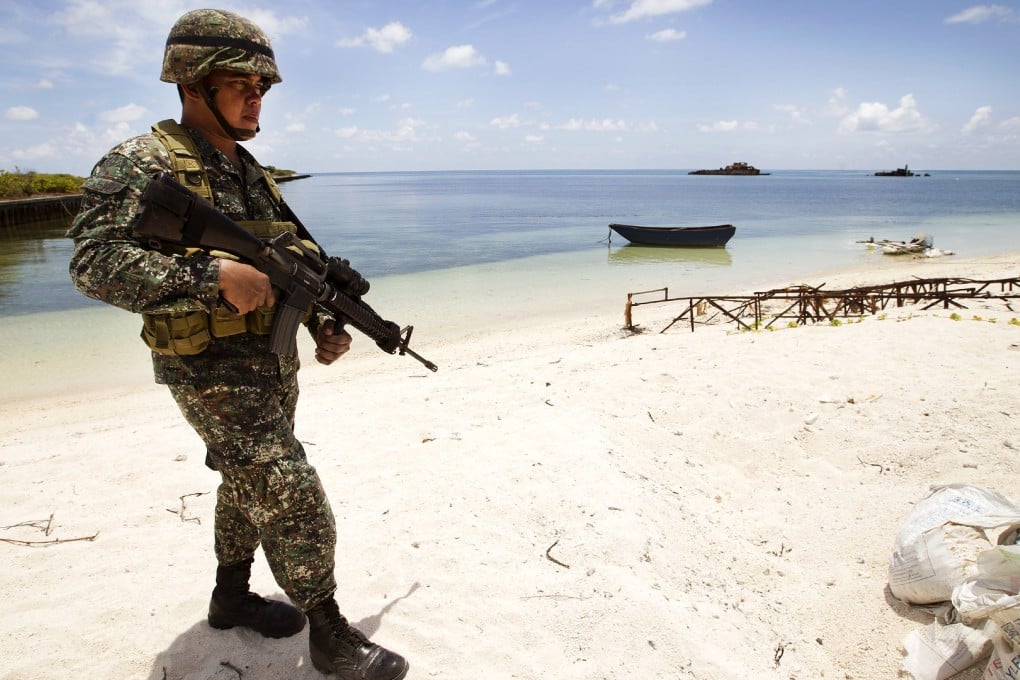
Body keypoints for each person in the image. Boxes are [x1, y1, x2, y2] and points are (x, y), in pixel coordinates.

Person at [66, 9, 408, 680]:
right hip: (205, 364)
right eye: (243, 83)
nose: (258, 96)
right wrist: (211, 275)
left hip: (270, 364)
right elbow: (91, 265)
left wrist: (321, 326)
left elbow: (288, 268)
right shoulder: (144, 160)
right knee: (287, 486)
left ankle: (231, 597)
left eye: (265, 86)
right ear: (194, 82)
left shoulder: (255, 173)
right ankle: (331, 633)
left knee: (242, 483)